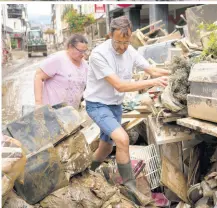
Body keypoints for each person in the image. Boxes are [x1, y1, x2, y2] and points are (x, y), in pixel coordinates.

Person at [84, 16, 170, 192]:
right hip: (98, 105)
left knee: (106, 148)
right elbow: (120, 85)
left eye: (126, 42)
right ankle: (131, 190)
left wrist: (171, 72)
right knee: (122, 139)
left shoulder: (129, 50)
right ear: (110, 35)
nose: (123, 47)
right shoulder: (99, 55)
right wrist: (152, 83)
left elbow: (151, 69)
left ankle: (85, 174)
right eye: (118, 42)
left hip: (115, 105)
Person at [34, 34, 89, 109]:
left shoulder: (85, 65)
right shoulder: (58, 59)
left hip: (72, 112)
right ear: (70, 47)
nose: (83, 54)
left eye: (85, 51)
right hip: (53, 110)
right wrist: (38, 104)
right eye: (80, 51)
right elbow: (38, 76)